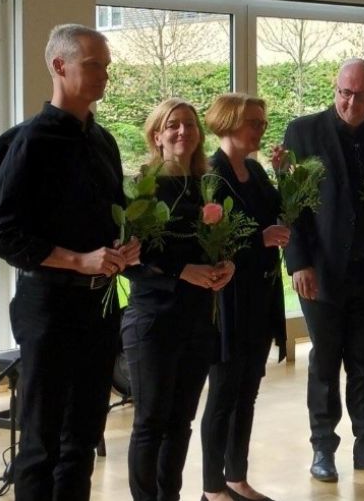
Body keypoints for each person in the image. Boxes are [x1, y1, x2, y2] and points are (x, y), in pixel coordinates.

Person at [0, 24, 140, 501]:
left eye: (107, 67)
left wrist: (126, 247)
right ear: (59, 66)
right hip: (47, 305)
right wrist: (78, 260)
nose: (104, 75)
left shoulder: (104, 141)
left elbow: (111, 219)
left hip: (99, 308)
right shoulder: (27, 142)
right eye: (94, 65)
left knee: (82, 439)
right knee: (41, 441)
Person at [283, 58, 364, 482]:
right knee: (325, 362)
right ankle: (323, 448)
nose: (350, 102)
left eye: (359, 95)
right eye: (344, 92)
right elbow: (292, 204)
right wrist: (298, 262)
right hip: (321, 270)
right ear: (335, 89)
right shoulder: (304, 132)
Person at [121, 98, 233, 501]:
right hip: (154, 318)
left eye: (189, 124)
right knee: (150, 422)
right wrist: (181, 272)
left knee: (181, 421)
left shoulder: (207, 186)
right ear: (157, 136)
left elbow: (215, 247)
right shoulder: (143, 188)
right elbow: (130, 260)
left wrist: (227, 265)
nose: (182, 131)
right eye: (173, 125)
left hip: (198, 319)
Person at [200, 94, 291, 501]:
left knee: (247, 393)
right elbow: (210, 241)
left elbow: (280, 213)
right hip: (228, 299)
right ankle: (212, 487)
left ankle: (236, 477)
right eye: (253, 121)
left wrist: (285, 174)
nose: (261, 128)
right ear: (230, 123)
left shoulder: (254, 171)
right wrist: (261, 239)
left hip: (260, 295)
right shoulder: (210, 174)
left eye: (262, 121)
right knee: (222, 395)